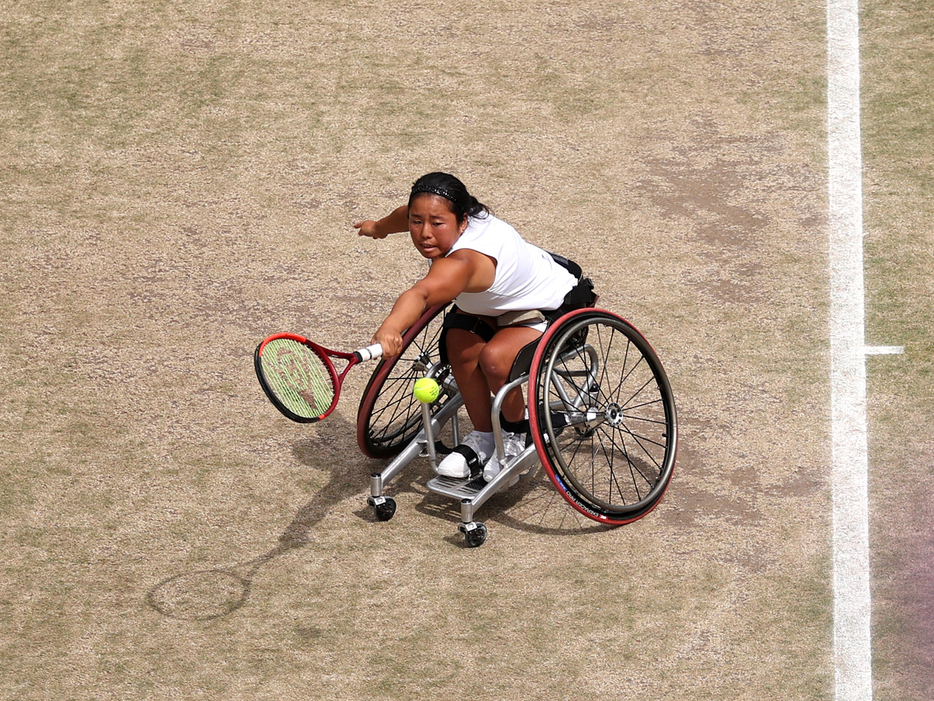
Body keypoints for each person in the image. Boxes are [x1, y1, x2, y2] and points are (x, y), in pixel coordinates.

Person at [354, 172, 587, 482]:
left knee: (494, 359)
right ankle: (484, 435)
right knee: (459, 346)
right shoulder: (447, 216)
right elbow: (404, 215)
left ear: (463, 222)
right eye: (416, 222)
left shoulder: (464, 261)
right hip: (490, 308)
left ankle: (519, 433)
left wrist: (390, 328)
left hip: (547, 308)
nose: (425, 233)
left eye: (437, 224)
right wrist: (378, 228)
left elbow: (421, 294)